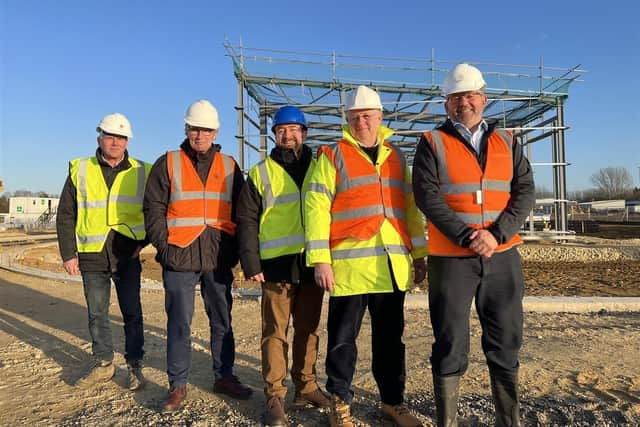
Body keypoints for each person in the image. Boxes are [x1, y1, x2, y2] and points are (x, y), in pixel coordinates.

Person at [412, 63, 535, 427]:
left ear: (484, 98)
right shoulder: (432, 142)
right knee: (450, 341)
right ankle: (447, 421)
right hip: (452, 259)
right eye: (455, 97)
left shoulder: (508, 141)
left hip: (502, 256)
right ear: (446, 104)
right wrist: (467, 235)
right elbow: (426, 196)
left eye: (469, 95)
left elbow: (524, 190)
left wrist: (496, 234)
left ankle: (507, 420)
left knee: (506, 338)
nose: (463, 102)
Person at [305, 85, 428, 427]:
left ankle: (393, 402)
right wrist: (321, 260)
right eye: (355, 117)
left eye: (367, 116)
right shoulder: (332, 155)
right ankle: (340, 402)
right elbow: (315, 208)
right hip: (349, 268)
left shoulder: (396, 156)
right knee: (343, 340)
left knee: (390, 340)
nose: (361, 122)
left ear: (380, 117)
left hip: (390, 266)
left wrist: (419, 254)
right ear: (347, 119)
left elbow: (410, 209)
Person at [143, 99, 252, 412]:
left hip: (218, 257)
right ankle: (177, 385)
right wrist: (163, 247)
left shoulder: (230, 166)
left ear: (216, 131)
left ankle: (224, 376)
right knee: (179, 322)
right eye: (194, 128)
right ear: (186, 129)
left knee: (222, 320)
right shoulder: (169, 162)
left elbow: (242, 211)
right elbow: (153, 208)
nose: (199, 134)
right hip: (179, 256)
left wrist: (234, 251)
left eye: (205, 129)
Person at [237, 106, 330, 426]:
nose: (287, 135)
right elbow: (246, 220)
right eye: (281, 131)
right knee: (275, 332)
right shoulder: (261, 172)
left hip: (312, 262)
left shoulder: (322, 167)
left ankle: (306, 386)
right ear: (274, 135)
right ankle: (275, 395)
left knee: (309, 329)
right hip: (275, 265)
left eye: (294, 130)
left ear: (304, 134)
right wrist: (251, 261)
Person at [56, 112, 150, 391]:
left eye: (121, 137)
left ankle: (135, 365)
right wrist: (68, 253)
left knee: (132, 312)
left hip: (126, 255)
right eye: (110, 136)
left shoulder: (142, 170)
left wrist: (141, 244)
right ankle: (104, 363)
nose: (116, 142)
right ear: (100, 137)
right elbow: (65, 215)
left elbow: (153, 211)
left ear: (127, 140)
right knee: (97, 313)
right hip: (92, 254)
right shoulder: (80, 168)